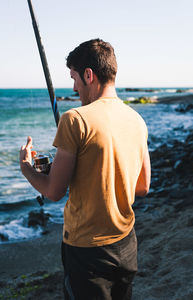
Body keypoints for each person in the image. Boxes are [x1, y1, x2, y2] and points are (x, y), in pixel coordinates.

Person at [20, 38, 151, 300]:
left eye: (74, 78)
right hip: (126, 244)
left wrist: (26, 167)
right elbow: (142, 187)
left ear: (89, 75)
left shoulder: (75, 119)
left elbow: (54, 192)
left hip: (87, 253)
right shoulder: (136, 120)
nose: (74, 87)